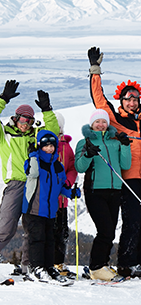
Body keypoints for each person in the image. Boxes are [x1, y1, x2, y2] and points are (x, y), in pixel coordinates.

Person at [87, 47, 141, 278]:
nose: (132, 102)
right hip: (129, 176)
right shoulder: (116, 119)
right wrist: (95, 71)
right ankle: (127, 262)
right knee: (132, 220)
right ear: (121, 101)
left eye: (135, 98)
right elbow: (99, 100)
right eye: (128, 98)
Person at [0, 80, 59, 274]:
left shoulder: (36, 136)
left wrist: (47, 109)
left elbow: (54, 132)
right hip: (16, 184)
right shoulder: (5, 134)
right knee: (6, 227)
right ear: (16, 119)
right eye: (23, 120)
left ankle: (29, 265)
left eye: (30, 121)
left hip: (37, 185)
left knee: (32, 228)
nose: (26, 124)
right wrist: (3, 99)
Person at [75, 109, 132, 281]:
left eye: (104, 122)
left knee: (110, 231)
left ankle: (102, 264)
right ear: (92, 124)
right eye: (97, 122)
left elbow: (125, 164)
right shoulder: (84, 142)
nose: (101, 125)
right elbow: (80, 167)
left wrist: (125, 145)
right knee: (105, 229)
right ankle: (96, 267)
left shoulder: (115, 142)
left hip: (115, 190)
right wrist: (88, 154)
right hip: (95, 191)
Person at [22, 130, 81, 285]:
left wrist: (71, 192)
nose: (49, 148)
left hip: (50, 211)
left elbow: (60, 186)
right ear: (39, 146)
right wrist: (33, 155)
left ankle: (48, 267)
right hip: (34, 209)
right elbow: (33, 174)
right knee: (37, 239)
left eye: (52, 145)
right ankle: (36, 268)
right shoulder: (32, 161)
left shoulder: (58, 166)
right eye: (45, 145)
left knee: (50, 240)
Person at [53, 112, 78, 278]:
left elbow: (72, 168)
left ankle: (58, 262)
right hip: (47, 200)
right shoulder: (43, 144)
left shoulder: (66, 147)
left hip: (62, 200)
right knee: (48, 231)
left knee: (62, 232)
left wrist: (68, 182)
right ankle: (45, 262)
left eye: (59, 127)